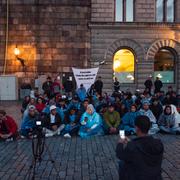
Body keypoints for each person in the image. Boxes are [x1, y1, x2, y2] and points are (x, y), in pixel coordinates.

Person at [116, 115, 164, 180]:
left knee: (121, 163)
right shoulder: (158, 143)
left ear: (136, 128)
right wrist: (131, 142)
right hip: (155, 176)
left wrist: (120, 143)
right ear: (149, 127)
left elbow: (120, 154)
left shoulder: (132, 146)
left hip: (139, 176)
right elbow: (144, 145)